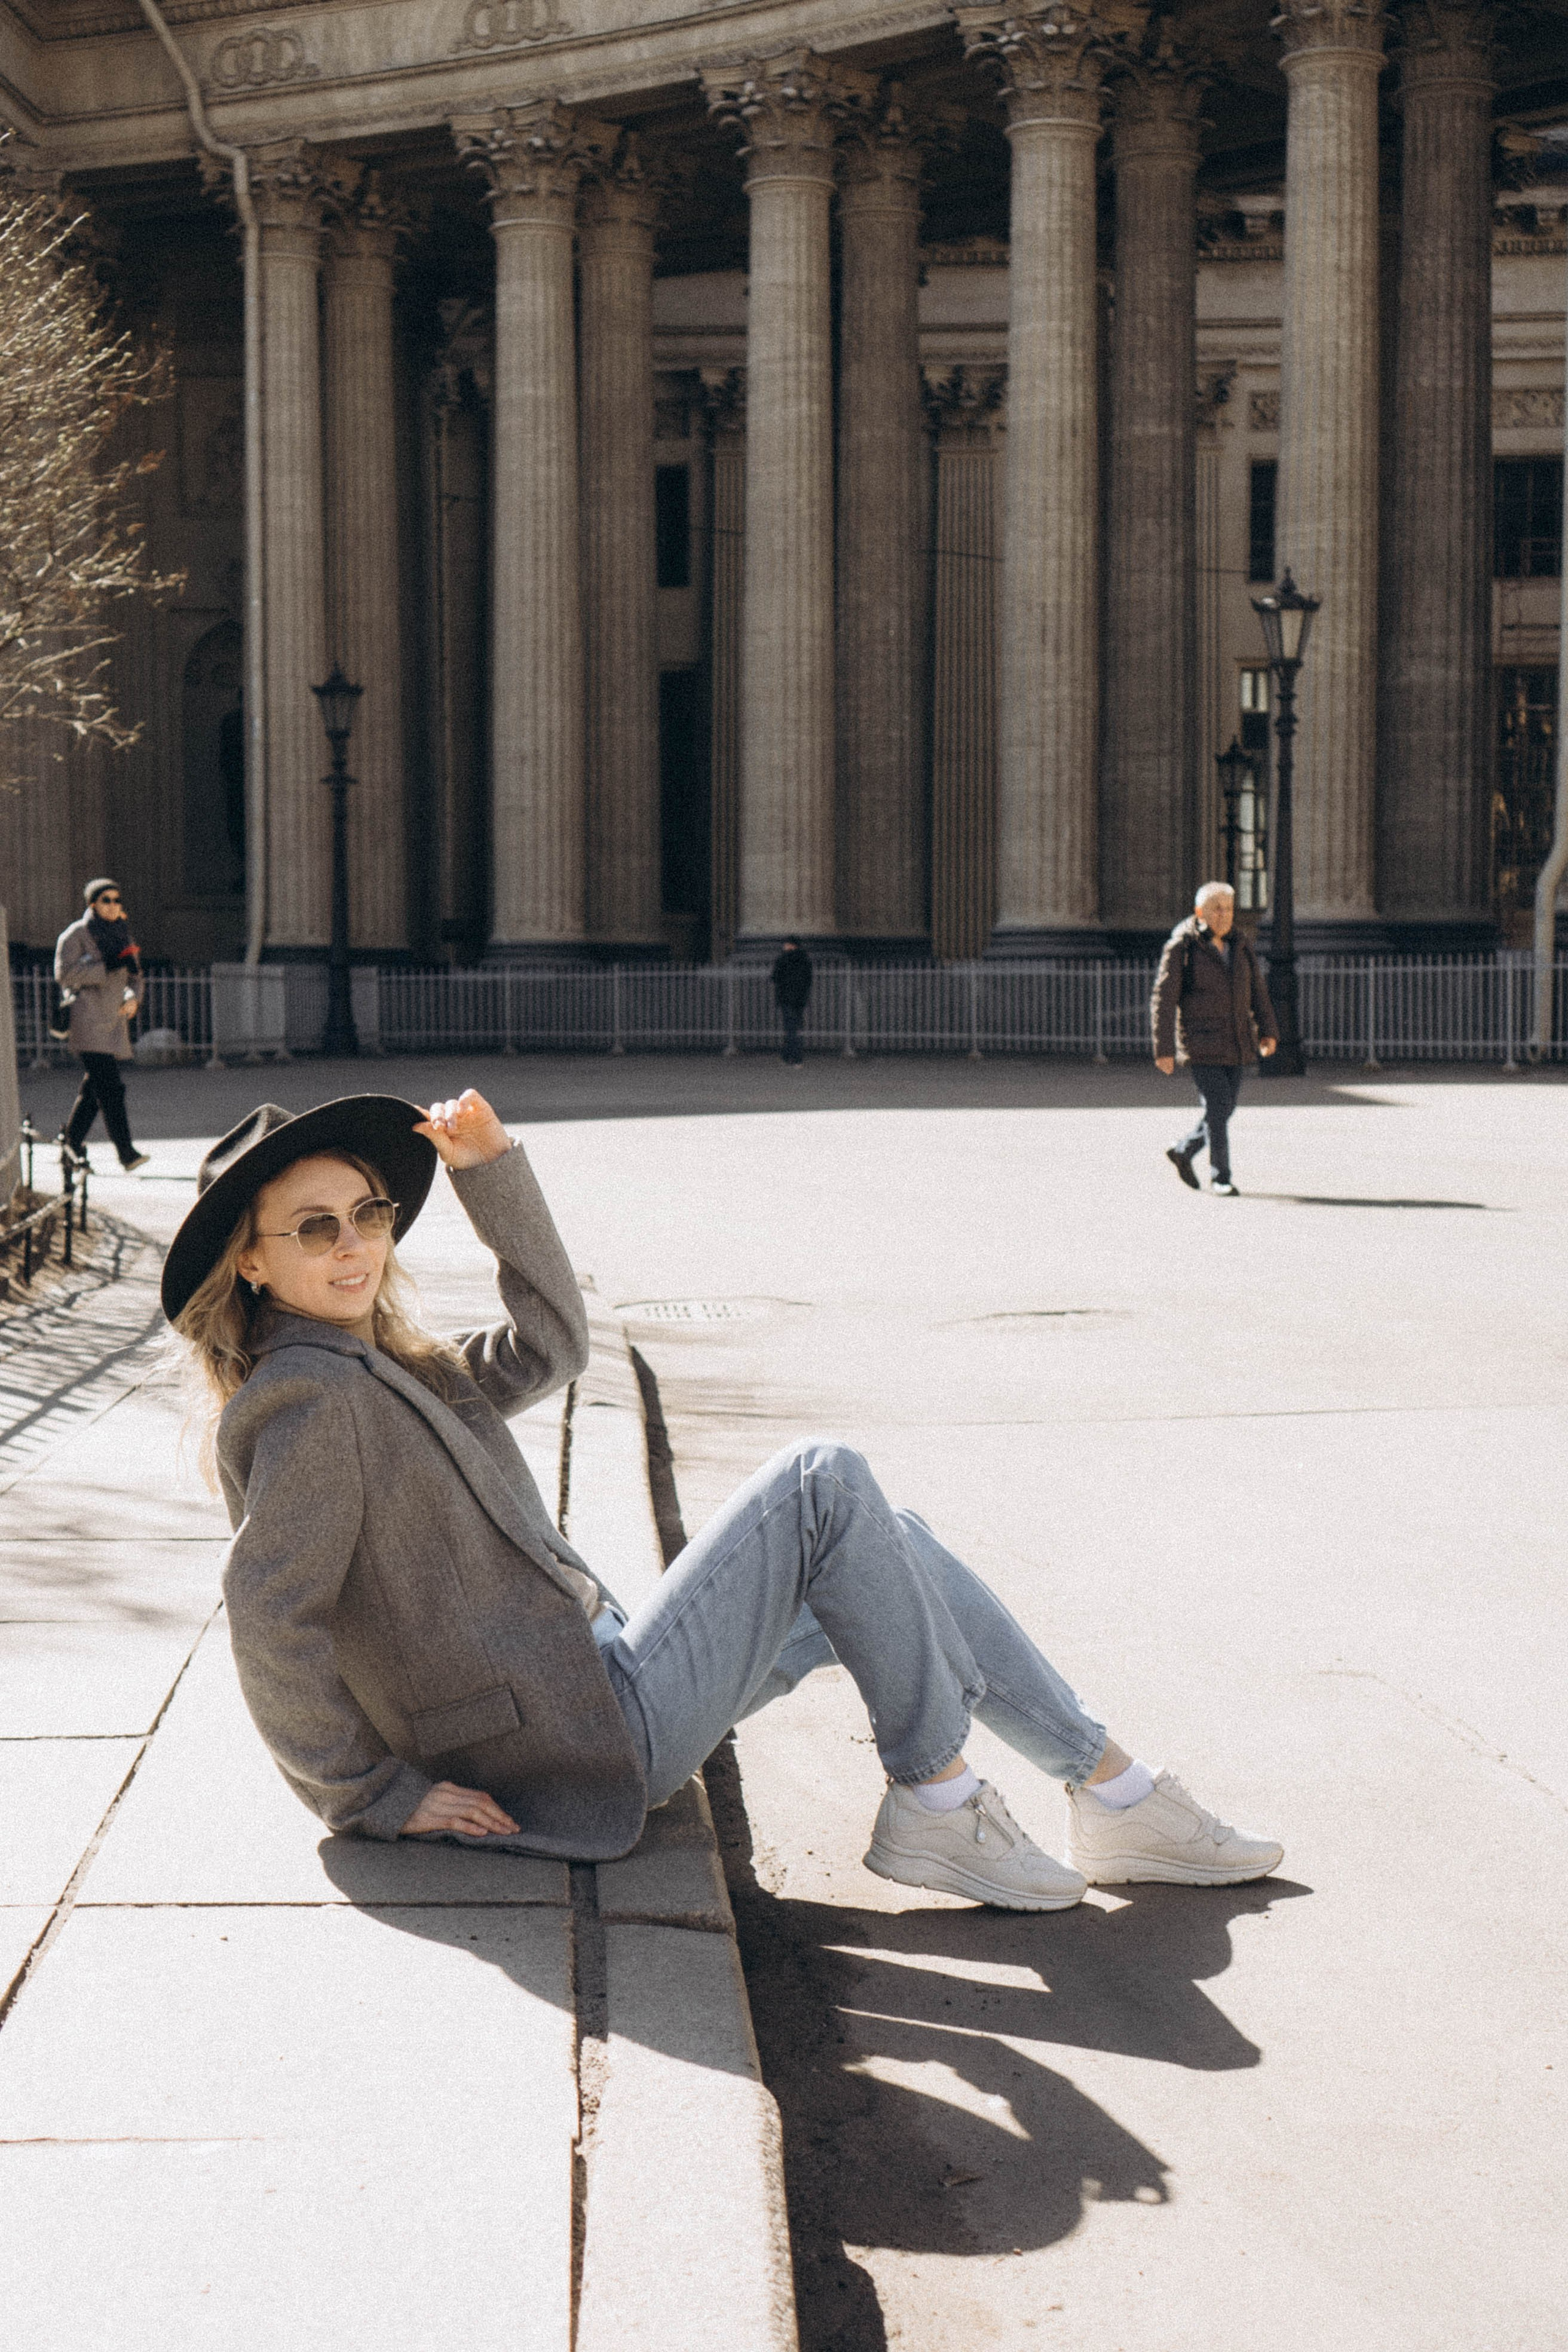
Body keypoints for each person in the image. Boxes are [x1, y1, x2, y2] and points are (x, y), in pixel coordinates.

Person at [162, 1085, 1283, 1909]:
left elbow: (552, 1346)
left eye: (367, 1215)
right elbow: (270, 1614)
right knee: (821, 1481)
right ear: (253, 1263)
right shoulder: (307, 1401)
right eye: (317, 1228)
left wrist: (489, 1173)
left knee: (888, 1538)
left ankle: (1117, 1792)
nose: (355, 1244)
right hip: (577, 1736)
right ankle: (939, 1803)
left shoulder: (382, 1364)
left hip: (595, 1685)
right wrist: (370, 1792)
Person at [1151, 881, 1278, 1197]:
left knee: (1224, 1107)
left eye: (1229, 909)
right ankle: (1221, 1176)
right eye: (1216, 909)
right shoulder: (1183, 946)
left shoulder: (1240, 944)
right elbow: (1164, 999)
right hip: (1201, 1041)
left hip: (1236, 1040)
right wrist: (1164, 1049)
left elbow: (1257, 991)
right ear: (1200, 912)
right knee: (1219, 1106)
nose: (1224, 915)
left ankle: (1184, 1149)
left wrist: (1268, 1030)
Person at [55, 878, 149, 1174]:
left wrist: (133, 997)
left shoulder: (122, 933)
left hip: (114, 1021)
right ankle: (126, 1153)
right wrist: (104, 968)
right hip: (87, 1019)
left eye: (117, 900)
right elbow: (65, 974)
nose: (113, 905)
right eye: (106, 900)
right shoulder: (77, 934)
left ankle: (70, 1145)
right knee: (111, 1088)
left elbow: (135, 975)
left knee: (94, 1090)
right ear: (92, 903)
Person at [771, 939, 813, 1068]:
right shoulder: (805, 959)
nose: (784, 946)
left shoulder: (783, 959)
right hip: (799, 999)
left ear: (791, 945)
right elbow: (808, 979)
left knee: (790, 1029)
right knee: (795, 1028)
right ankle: (786, 1055)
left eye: (786, 944)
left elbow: (775, 977)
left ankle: (796, 1058)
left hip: (786, 998)